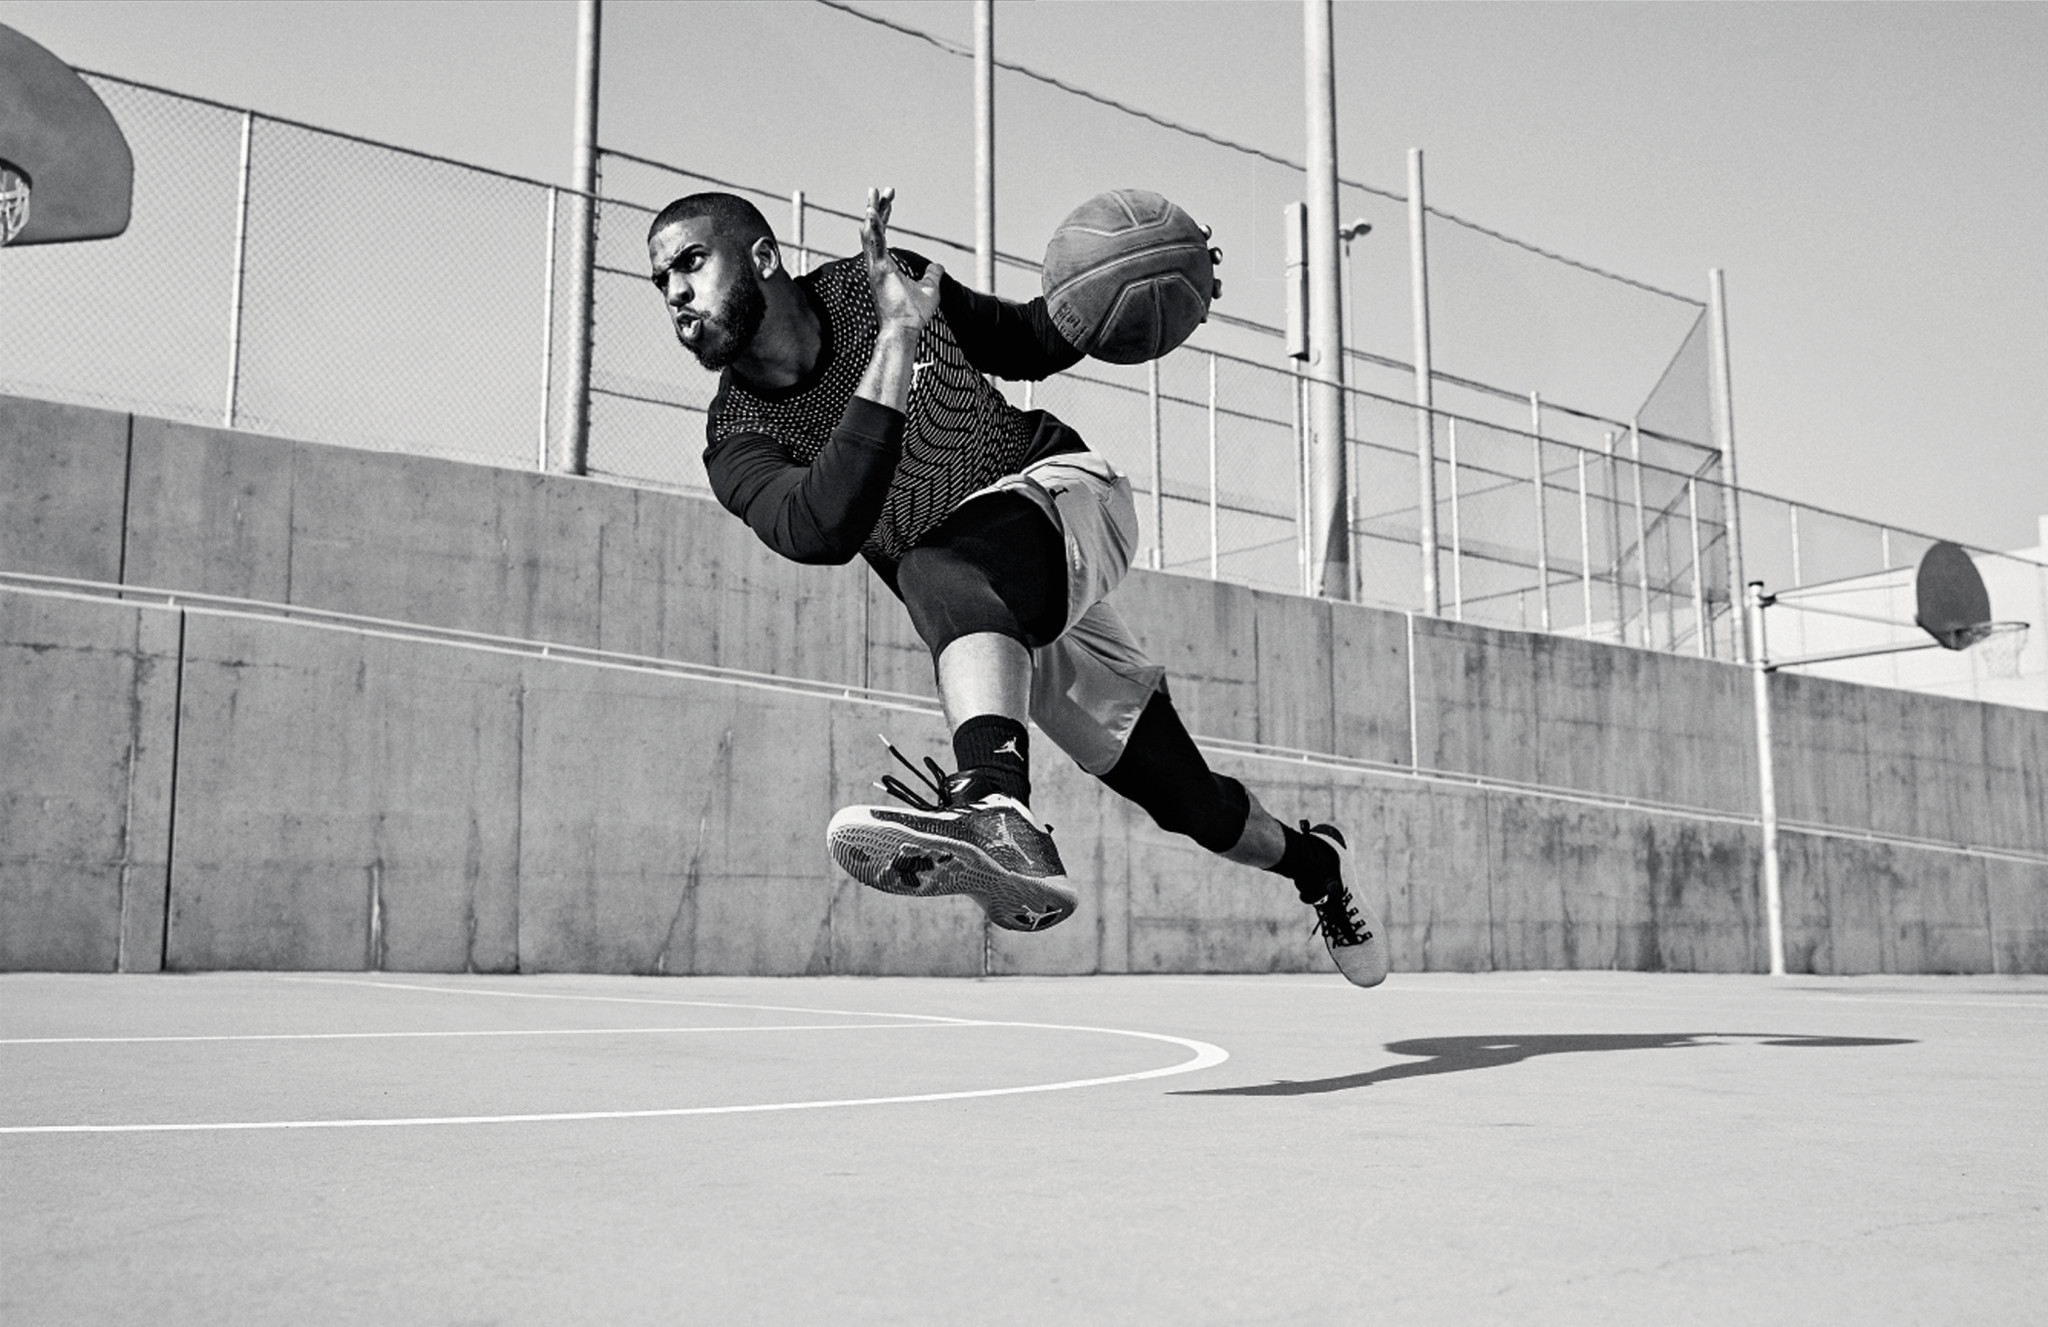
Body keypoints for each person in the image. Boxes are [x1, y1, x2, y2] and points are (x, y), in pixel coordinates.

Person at [647, 186, 1385, 987]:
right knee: (1189, 803)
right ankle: (1318, 865)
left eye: (691, 263)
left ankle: (994, 801)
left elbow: (1029, 340)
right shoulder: (738, 437)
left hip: (1061, 497)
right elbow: (820, 529)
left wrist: (1154, 276)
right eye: (662, 282)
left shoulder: (878, 283)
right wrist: (897, 341)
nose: (676, 292)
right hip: (990, 611)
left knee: (928, 560)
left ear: (762, 256)